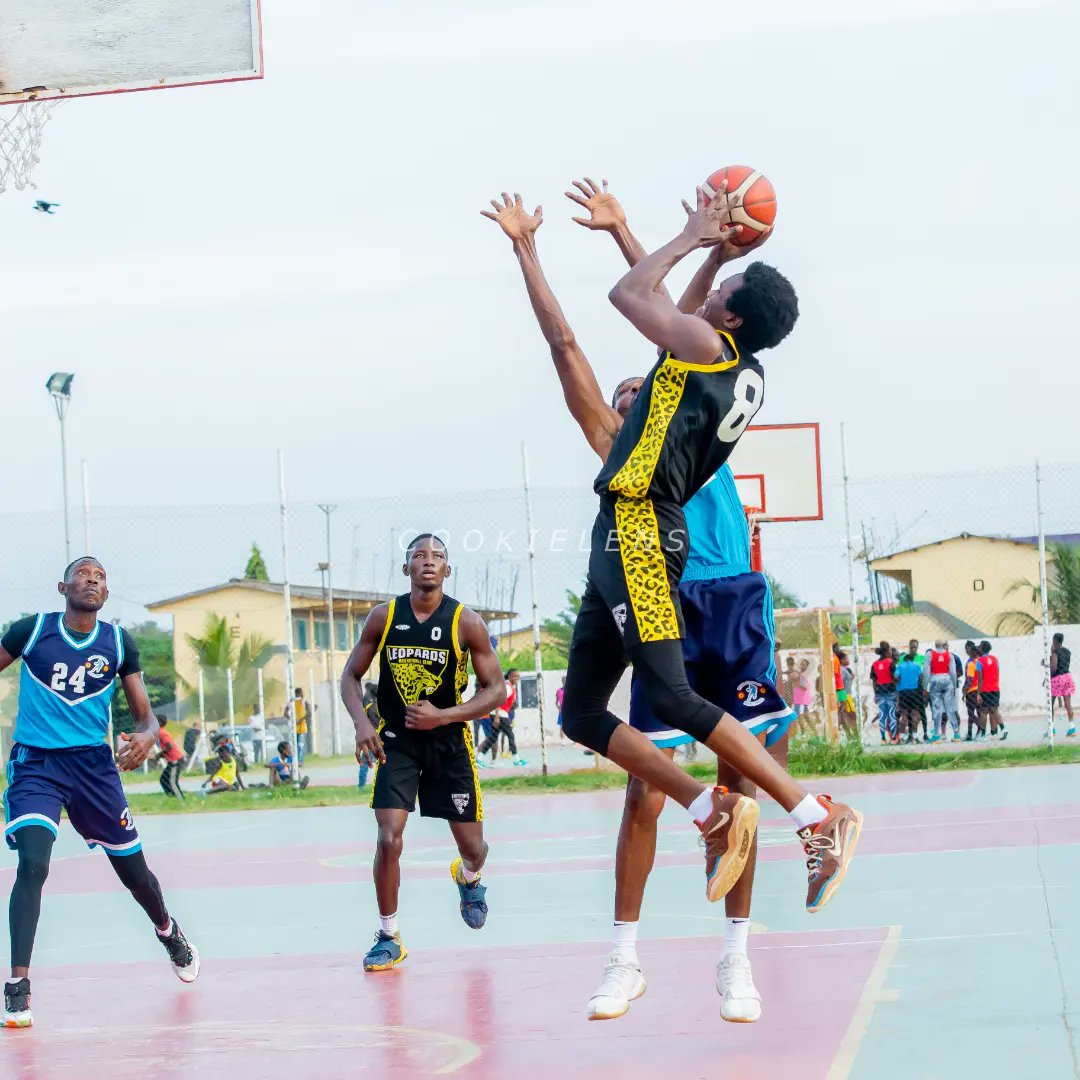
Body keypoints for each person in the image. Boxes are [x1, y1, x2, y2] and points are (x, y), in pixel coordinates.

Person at [484, 178, 835, 1024]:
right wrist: (545, 247)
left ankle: (742, 945)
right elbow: (582, 337)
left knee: (739, 768)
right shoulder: (632, 426)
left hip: (714, 586)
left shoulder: (696, 378)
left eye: (642, 384)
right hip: (658, 576)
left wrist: (679, 238)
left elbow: (671, 309)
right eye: (628, 391)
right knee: (635, 765)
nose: (633, 392)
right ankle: (627, 954)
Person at [0, 557, 199, 1028]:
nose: (92, 580)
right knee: (33, 864)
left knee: (136, 875)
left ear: (106, 595)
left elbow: (145, 717)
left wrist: (147, 737)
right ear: (62, 586)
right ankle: (18, 986)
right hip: (37, 765)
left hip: (94, 770)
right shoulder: (33, 631)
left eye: (100, 577)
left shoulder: (117, 641)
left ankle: (168, 930)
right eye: (83, 574)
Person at [341, 534, 507, 972]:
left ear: (447, 570)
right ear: (407, 569)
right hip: (397, 742)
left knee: (474, 848)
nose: (428, 561)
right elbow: (350, 675)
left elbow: (496, 690)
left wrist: (445, 715)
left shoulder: (466, 622)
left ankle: (468, 877)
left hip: (449, 743)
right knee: (388, 837)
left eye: (437, 556)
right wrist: (362, 724)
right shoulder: (384, 617)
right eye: (419, 555)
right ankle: (388, 936)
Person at [478, 670, 526, 766]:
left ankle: (479, 758)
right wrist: (496, 717)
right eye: (515, 676)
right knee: (510, 735)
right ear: (510, 676)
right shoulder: (507, 687)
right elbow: (498, 700)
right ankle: (516, 759)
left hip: (499, 714)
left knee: (492, 738)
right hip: (500, 715)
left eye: (518, 676)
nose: (517, 678)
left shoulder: (510, 687)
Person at [926, 640, 960, 743]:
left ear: (935, 645)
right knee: (950, 708)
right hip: (947, 681)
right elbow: (953, 672)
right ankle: (956, 734)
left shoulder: (930, 654)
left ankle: (937, 735)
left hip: (935, 680)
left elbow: (926, 671)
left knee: (937, 709)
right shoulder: (950, 655)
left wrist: (925, 686)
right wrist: (954, 686)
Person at [976, 640, 1007, 740]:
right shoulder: (995, 659)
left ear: (981, 649)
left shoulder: (979, 661)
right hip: (995, 688)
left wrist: (978, 693)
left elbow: (980, 678)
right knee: (994, 710)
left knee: (984, 712)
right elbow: (997, 673)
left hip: (985, 689)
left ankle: (983, 735)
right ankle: (1003, 728)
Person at [896, 645, 925, 744]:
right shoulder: (916, 665)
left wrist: (901, 683)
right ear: (912, 660)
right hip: (914, 692)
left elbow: (895, 677)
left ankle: (901, 738)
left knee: (904, 715)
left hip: (903, 692)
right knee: (915, 714)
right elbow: (921, 677)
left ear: (904, 660)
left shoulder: (900, 666)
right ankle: (914, 737)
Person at [870, 642, 898, 744]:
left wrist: (875, 694)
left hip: (879, 693)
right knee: (892, 715)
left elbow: (874, 681)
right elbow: (895, 678)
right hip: (891, 691)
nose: (891, 652)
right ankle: (893, 738)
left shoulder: (874, 664)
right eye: (890, 650)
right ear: (887, 652)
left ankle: (883, 739)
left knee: (882, 715)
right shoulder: (891, 662)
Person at [155, 717, 185, 799]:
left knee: (172, 781)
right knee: (163, 780)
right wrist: (160, 756)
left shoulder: (162, 733)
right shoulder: (160, 732)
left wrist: (159, 755)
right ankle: (172, 796)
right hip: (172, 761)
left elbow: (169, 746)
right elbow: (167, 748)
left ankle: (180, 799)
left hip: (176, 761)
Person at [1051, 633, 1075, 736]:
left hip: (1057, 678)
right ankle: (1072, 728)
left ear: (1055, 641)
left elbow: (1054, 667)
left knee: (1051, 704)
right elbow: (1065, 664)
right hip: (1067, 677)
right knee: (1068, 704)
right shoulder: (1067, 651)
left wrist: (1047, 665)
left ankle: (1052, 730)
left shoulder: (1055, 652)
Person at [962, 642, 984, 740]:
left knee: (970, 713)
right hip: (981, 690)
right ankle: (971, 733)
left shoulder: (971, 664)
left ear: (972, 652)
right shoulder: (981, 662)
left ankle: (980, 728)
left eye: (968, 650)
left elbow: (970, 679)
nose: (967, 652)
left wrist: (965, 690)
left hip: (972, 691)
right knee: (979, 712)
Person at [838, 651, 858, 738]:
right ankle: (854, 736)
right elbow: (840, 683)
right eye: (847, 658)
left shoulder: (845, 669)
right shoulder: (842, 670)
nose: (848, 660)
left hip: (847, 695)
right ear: (842, 660)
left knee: (847, 716)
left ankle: (851, 736)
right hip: (845, 696)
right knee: (852, 716)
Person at [289, 688, 309, 764]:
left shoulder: (304, 702)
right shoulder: (292, 702)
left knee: (300, 745)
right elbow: (285, 713)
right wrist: (292, 720)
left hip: (302, 728)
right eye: (300, 693)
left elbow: (309, 713)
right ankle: (295, 761)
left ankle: (299, 761)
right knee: (295, 746)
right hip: (294, 728)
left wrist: (300, 720)